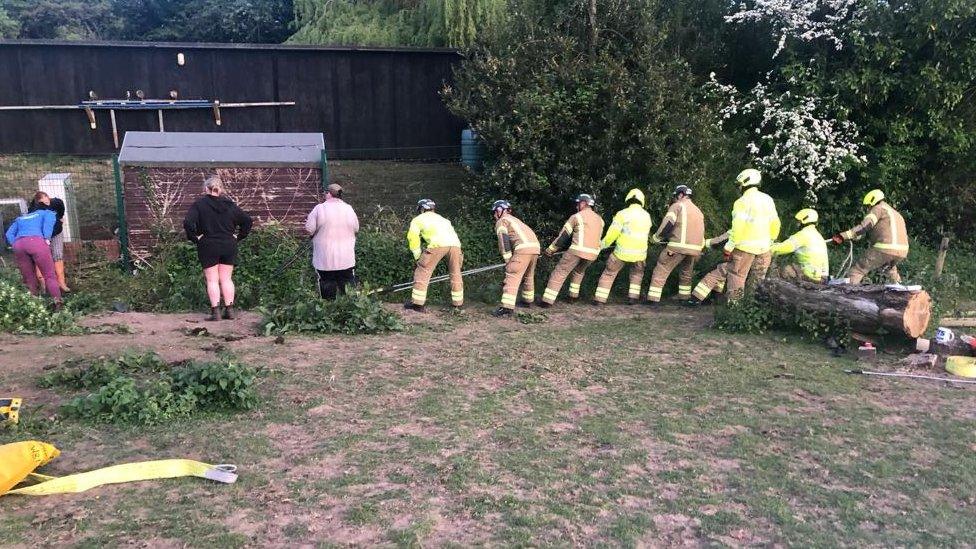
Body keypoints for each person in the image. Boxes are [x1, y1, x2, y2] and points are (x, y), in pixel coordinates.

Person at [182, 176, 253, 321]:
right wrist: (239, 237)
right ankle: (229, 311)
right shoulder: (230, 205)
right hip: (229, 245)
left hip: (208, 245)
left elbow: (188, 222)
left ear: (205, 189)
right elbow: (247, 221)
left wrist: (195, 238)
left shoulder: (199, 205)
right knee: (226, 279)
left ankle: (216, 313)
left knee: (212, 280)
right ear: (220, 189)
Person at [722, 168, 780, 299]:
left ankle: (734, 309)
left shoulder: (742, 202)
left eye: (739, 185)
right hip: (764, 248)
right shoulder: (768, 199)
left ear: (744, 183)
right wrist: (771, 241)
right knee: (758, 281)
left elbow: (738, 227)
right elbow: (776, 223)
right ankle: (752, 309)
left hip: (743, 249)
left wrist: (729, 247)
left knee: (737, 277)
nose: (739, 188)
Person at [539, 194, 605, 307]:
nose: (576, 206)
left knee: (560, 272)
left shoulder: (577, 217)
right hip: (593, 254)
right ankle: (572, 297)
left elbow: (563, 236)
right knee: (579, 272)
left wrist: (550, 250)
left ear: (584, 203)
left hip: (577, 250)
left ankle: (547, 301)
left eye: (578, 203)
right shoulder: (600, 220)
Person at [832, 189, 909, 284]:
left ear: (872, 202)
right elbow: (884, 231)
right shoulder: (896, 213)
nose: (868, 209)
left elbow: (865, 226)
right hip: (902, 251)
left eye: (868, 206)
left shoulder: (878, 209)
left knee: (858, 269)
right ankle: (902, 292)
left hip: (884, 248)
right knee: (890, 271)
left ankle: (848, 294)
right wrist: (857, 236)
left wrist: (843, 236)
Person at [646, 185, 705, 304]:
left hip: (677, 247)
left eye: (675, 196)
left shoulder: (677, 206)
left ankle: (653, 299)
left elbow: (667, 225)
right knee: (686, 274)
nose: (675, 198)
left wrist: (656, 238)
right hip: (695, 249)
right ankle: (684, 299)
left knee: (661, 269)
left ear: (680, 194)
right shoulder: (698, 211)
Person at [593, 189, 652, 305]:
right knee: (637, 274)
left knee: (609, 273)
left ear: (628, 199)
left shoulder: (622, 214)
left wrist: (601, 246)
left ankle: (600, 299)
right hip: (640, 254)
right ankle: (633, 298)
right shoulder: (647, 216)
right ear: (642, 201)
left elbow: (612, 234)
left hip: (621, 253)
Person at [406, 199, 463, 312]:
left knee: (423, 271)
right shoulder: (443, 219)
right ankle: (458, 304)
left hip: (437, 245)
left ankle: (417, 304)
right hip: (455, 245)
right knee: (456, 272)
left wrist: (418, 256)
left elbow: (413, 237)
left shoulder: (418, 219)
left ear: (422, 209)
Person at [305, 183, 359, 300]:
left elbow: (310, 229)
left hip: (325, 257)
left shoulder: (319, 209)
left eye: (326, 192)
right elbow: (356, 228)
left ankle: (328, 309)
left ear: (329, 194)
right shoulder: (349, 209)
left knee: (327, 281)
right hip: (346, 257)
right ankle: (351, 308)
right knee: (348, 281)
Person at [4, 200, 61, 308]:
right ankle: (57, 303)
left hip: (19, 244)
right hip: (36, 242)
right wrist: (47, 238)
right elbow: (48, 224)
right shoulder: (47, 213)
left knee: (29, 277)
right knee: (49, 275)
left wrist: (14, 243)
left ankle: (34, 306)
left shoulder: (20, 218)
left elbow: (9, 233)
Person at [490, 200, 540, 317]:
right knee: (528, 275)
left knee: (512, 275)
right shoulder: (515, 220)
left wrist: (508, 260)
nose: (494, 215)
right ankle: (527, 301)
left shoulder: (502, 221)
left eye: (494, 212)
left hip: (523, 249)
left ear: (499, 210)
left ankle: (507, 308)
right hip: (535, 248)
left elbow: (503, 240)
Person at [771, 209, 829, 283]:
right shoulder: (818, 236)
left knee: (785, 268)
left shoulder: (803, 235)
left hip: (811, 277)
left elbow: (780, 249)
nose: (797, 224)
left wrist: (765, 248)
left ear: (803, 221)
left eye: (798, 222)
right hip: (823, 278)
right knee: (793, 266)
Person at [29, 192, 70, 293]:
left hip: (56, 233)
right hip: (42, 235)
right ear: (38, 203)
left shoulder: (56, 202)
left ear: (48, 198)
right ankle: (43, 284)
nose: (46, 203)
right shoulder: (34, 209)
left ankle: (61, 283)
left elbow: (61, 208)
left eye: (47, 200)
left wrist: (60, 218)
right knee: (40, 256)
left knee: (58, 255)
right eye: (43, 203)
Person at [686, 232, 730, 305]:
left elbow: (720, 240)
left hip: (736, 257)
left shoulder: (740, 224)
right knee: (723, 276)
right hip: (749, 260)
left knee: (713, 276)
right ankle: (715, 299)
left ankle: (695, 299)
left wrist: (704, 243)